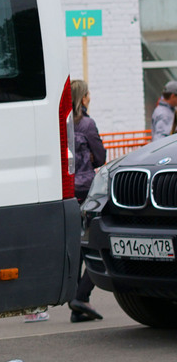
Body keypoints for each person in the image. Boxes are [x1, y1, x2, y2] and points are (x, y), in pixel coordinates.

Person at [70, 79, 107, 322]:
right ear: (83, 98)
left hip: (67, 187)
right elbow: (101, 157)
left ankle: (78, 306)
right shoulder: (87, 123)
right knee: (92, 242)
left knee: (76, 244)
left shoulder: (62, 124)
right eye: (88, 93)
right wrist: (91, 160)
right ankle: (81, 296)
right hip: (85, 187)